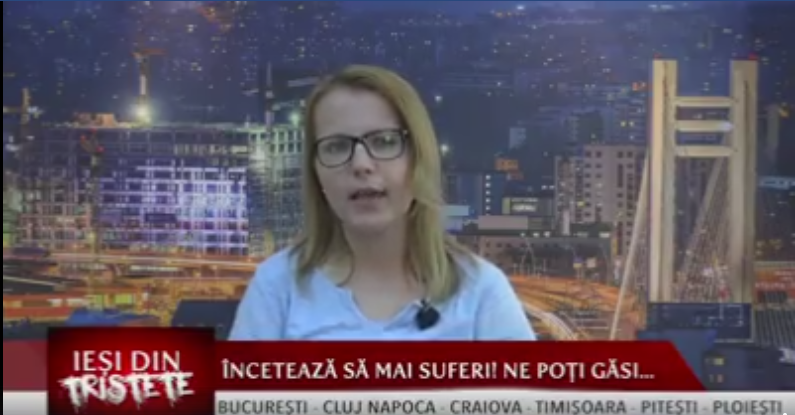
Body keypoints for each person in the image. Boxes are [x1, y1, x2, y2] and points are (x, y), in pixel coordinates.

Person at [229, 65, 534, 339]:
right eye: (336, 147)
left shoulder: (481, 294)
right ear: (315, 171)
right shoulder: (277, 288)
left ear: (418, 158)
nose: (361, 164)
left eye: (384, 142)